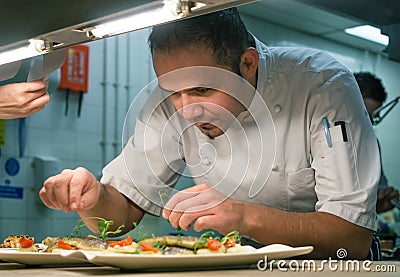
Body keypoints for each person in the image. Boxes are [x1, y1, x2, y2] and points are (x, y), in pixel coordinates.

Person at [39, 8, 381, 259]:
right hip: (240, 263)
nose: (186, 111)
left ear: (247, 65)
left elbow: (351, 238)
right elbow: (122, 215)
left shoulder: (320, 84)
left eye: (203, 90)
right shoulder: (168, 103)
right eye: (172, 91)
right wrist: (94, 197)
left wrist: (244, 216)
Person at [354, 72, 399, 213]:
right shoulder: (321, 137)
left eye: (373, 118)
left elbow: (379, 185)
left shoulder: (372, 143)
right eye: (365, 115)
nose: (369, 124)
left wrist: (383, 198)